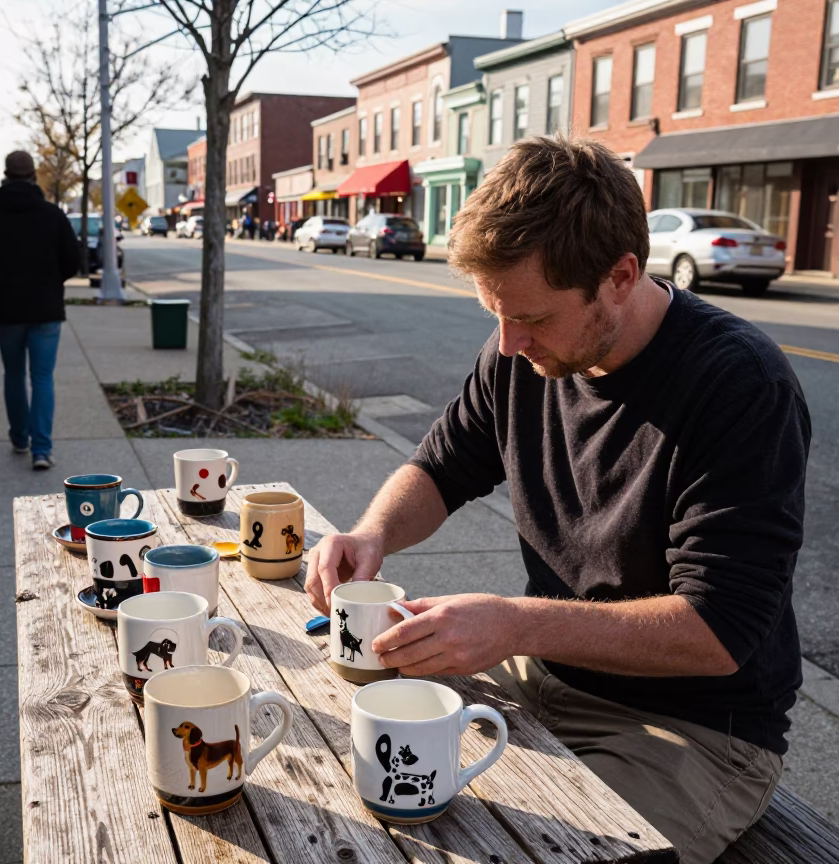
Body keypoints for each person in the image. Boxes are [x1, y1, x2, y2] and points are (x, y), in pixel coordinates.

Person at [304, 137, 809, 864]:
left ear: (621, 276)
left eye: (532, 318)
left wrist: (513, 624)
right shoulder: (517, 351)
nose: (508, 343)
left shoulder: (741, 386)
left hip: (692, 730)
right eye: (496, 314)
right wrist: (373, 532)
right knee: (347, 728)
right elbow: (445, 465)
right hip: (544, 675)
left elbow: (718, 630)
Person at [0, 150, 79, 470]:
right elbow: (73, 260)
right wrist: (51, 280)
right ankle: (41, 449)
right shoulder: (53, 215)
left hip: (6, 308)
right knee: (42, 377)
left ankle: (19, 437)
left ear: (5, 175)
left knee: (13, 374)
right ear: (34, 176)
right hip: (46, 308)